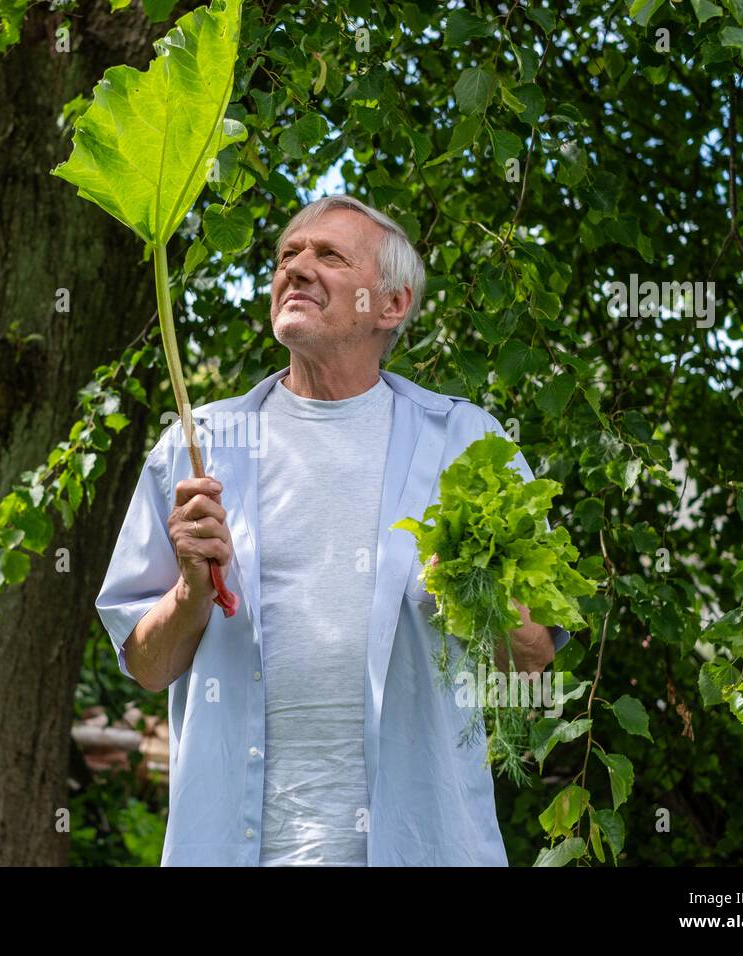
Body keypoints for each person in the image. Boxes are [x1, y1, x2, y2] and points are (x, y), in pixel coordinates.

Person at [95, 194, 569, 866]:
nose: (297, 267)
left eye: (329, 255)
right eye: (287, 254)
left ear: (393, 304)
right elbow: (146, 667)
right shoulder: (200, 447)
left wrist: (473, 595)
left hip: (420, 844)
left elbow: (531, 660)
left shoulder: (469, 446)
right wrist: (190, 593)